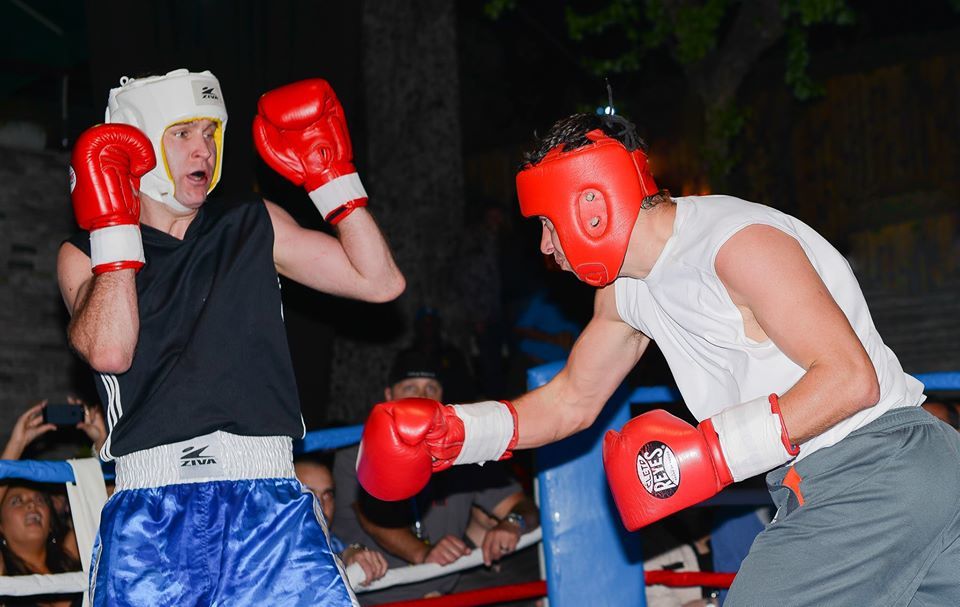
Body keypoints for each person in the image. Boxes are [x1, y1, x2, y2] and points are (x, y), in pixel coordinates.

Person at [356, 113, 960, 604]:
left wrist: (714, 452)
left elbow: (850, 379)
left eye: (547, 225)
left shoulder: (736, 244)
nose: (543, 246)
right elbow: (572, 400)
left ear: (590, 206)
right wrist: (456, 433)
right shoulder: (627, 291)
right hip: (867, 483)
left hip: (873, 469)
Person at [57, 69, 404, 606]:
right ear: (138, 143)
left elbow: (379, 283)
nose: (204, 149)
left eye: (210, 132)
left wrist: (333, 180)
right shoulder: (86, 255)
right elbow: (109, 350)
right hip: (151, 512)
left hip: (266, 502)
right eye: (182, 133)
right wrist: (113, 229)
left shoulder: (252, 222)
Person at [334, 348, 539, 605]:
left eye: (431, 388)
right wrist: (424, 553)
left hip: (449, 589)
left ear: (442, 397)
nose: (421, 396)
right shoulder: (354, 457)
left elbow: (523, 506)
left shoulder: (463, 453)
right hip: (380, 595)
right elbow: (373, 519)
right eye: (410, 387)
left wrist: (512, 522)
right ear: (389, 395)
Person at [294, 453, 388, 587]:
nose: (320, 505)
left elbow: (339, 552)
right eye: (308, 495)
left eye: (327, 495)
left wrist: (352, 553)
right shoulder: (264, 548)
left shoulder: (331, 541)